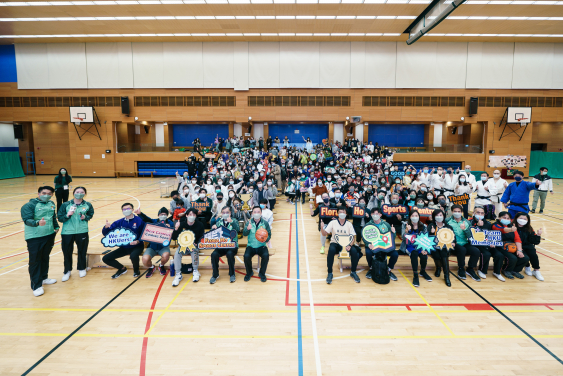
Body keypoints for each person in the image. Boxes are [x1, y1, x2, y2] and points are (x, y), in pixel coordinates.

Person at [21, 186, 60, 297]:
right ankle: (36, 286)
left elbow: (53, 217)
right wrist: (37, 223)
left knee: (45, 257)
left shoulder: (51, 203)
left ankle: (44, 278)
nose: (46, 195)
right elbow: (27, 220)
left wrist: (56, 226)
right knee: (35, 261)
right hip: (34, 237)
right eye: (44, 193)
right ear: (38, 194)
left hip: (49, 235)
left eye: (49, 193)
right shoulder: (29, 205)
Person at [57, 186, 95, 282]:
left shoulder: (88, 205)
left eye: (82, 192)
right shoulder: (65, 204)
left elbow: (90, 214)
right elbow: (60, 218)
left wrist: (85, 217)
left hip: (82, 231)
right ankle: (67, 271)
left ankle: (81, 268)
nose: (79, 193)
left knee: (82, 251)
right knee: (67, 252)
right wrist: (68, 215)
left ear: (85, 194)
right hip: (67, 232)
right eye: (77, 191)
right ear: (73, 193)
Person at [101, 203, 145, 279]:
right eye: (124, 209)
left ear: (132, 210)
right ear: (122, 211)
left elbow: (145, 234)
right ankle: (122, 268)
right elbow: (107, 235)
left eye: (128, 208)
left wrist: (138, 241)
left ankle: (136, 270)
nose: (126, 210)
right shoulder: (119, 222)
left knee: (133, 256)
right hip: (124, 247)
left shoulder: (139, 220)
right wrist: (106, 228)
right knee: (106, 258)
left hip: (137, 246)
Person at [321, 207, 363, 284]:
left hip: (347, 243)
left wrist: (350, 245)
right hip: (335, 243)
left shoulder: (349, 224)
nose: (342, 214)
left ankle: (353, 272)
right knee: (331, 250)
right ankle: (330, 273)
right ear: (338, 213)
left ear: (346, 214)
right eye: (340, 212)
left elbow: (353, 237)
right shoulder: (333, 222)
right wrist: (322, 227)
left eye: (343, 212)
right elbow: (324, 234)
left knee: (354, 251)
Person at [446, 204, 481, 281]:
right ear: (452, 212)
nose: (457, 213)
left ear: (461, 212)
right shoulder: (447, 221)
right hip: (454, 244)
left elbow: (470, 235)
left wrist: (465, 229)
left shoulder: (467, 222)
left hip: (465, 243)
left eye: (459, 211)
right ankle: (461, 268)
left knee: (476, 251)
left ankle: (470, 269)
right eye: (455, 211)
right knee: (462, 250)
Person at [137, 207, 174, 278]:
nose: (163, 215)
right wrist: (140, 214)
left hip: (163, 247)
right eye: (161, 214)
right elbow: (146, 219)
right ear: (158, 215)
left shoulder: (170, 222)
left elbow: (173, 234)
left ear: (167, 215)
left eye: (165, 214)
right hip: (152, 247)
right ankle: (151, 267)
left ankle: (161, 266)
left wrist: (169, 228)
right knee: (145, 259)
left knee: (166, 256)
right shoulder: (154, 221)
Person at [492, 211, 530, 280]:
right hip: (500, 246)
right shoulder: (496, 225)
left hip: (511, 246)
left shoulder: (512, 226)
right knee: (512, 258)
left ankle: (515, 270)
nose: (506, 219)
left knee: (525, 258)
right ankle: (506, 270)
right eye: (504, 217)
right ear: (499, 218)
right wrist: (510, 230)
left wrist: (519, 250)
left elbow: (517, 239)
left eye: (508, 218)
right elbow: (501, 230)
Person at [172, 208, 205, 286]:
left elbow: (202, 236)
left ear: (196, 216)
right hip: (183, 246)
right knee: (177, 254)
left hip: (194, 245)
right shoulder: (181, 224)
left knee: (195, 252)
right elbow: (174, 238)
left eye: (194, 215)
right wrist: (176, 228)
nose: (192, 216)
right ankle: (178, 274)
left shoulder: (200, 224)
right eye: (190, 214)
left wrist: (197, 243)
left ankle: (195, 271)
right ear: (186, 215)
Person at [470, 206, 504, 281]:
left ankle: (497, 272)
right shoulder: (470, 222)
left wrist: (493, 242)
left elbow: (491, 234)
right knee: (486, 254)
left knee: (499, 255)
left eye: (482, 213)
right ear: (474, 213)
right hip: (477, 245)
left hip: (487, 244)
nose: (480, 214)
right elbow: (470, 234)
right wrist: (477, 226)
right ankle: (482, 270)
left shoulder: (488, 223)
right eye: (478, 212)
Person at [364, 207, 398, 281]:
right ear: (371, 215)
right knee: (368, 252)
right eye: (373, 214)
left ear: (380, 214)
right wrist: (368, 244)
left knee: (395, 254)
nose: (375, 215)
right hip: (373, 246)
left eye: (377, 214)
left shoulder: (386, 224)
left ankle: (389, 269)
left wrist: (393, 232)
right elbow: (364, 237)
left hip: (385, 246)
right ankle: (371, 268)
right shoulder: (368, 225)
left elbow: (392, 237)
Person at [210, 206, 240, 284]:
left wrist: (232, 222)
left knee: (230, 254)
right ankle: (215, 274)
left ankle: (232, 274)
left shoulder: (234, 220)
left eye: (227, 212)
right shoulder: (219, 222)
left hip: (232, 245)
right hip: (222, 245)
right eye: (223, 212)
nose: (225, 214)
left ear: (230, 213)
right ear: (221, 213)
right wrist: (213, 229)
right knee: (214, 254)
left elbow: (238, 230)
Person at [401, 210, 431, 287]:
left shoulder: (423, 226)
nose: (415, 217)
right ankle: (415, 275)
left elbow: (425, 239)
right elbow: (403, 238)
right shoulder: (405, 224)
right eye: (413, 216)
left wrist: (424, 249)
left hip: (420, 246)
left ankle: (423, 271)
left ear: (419, 216)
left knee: (424, 256)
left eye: (416, 216)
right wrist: (407, 231)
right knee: (414, 253)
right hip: (409, 246)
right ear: (410, 217)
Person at [243, 206, 272, 282]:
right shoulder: (249, 222)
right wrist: (247, 229)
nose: (256, 213)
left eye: (258, 212)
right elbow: (244, 234)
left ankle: (262, 274)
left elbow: (269, 234)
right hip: (251, 246)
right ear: (252, 213)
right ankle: (249, 273)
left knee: (266, 256)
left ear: (261, 213)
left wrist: (266, 239)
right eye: (254, 212)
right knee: (246, 256)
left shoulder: (265, 223)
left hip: (261, 246)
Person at [514, 212, 544, 281]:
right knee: (525, 255)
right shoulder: (512, 227)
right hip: (517, 246)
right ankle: (527, 266)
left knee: (533, 254)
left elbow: (535, 242)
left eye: (525, 219)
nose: (522, 220)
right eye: (521, 218)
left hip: (528, 245)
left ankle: (536, 270)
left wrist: (538, 235)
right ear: (516, 218)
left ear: (527, 220)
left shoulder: (529, 228)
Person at [427, 209, 453, 287]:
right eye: (437, 215)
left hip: (445, 246)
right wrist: (431, 233)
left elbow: (453, 237)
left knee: (444, 254)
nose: (439, 217)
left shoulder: (448, 226)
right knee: (437, 255)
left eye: (440, 215)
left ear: (443, 216)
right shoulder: (431, 225)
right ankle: (438, 268)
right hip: (434, 246)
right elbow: (427, 239)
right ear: (434, 217)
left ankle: (447, 276)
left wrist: (453, 242)